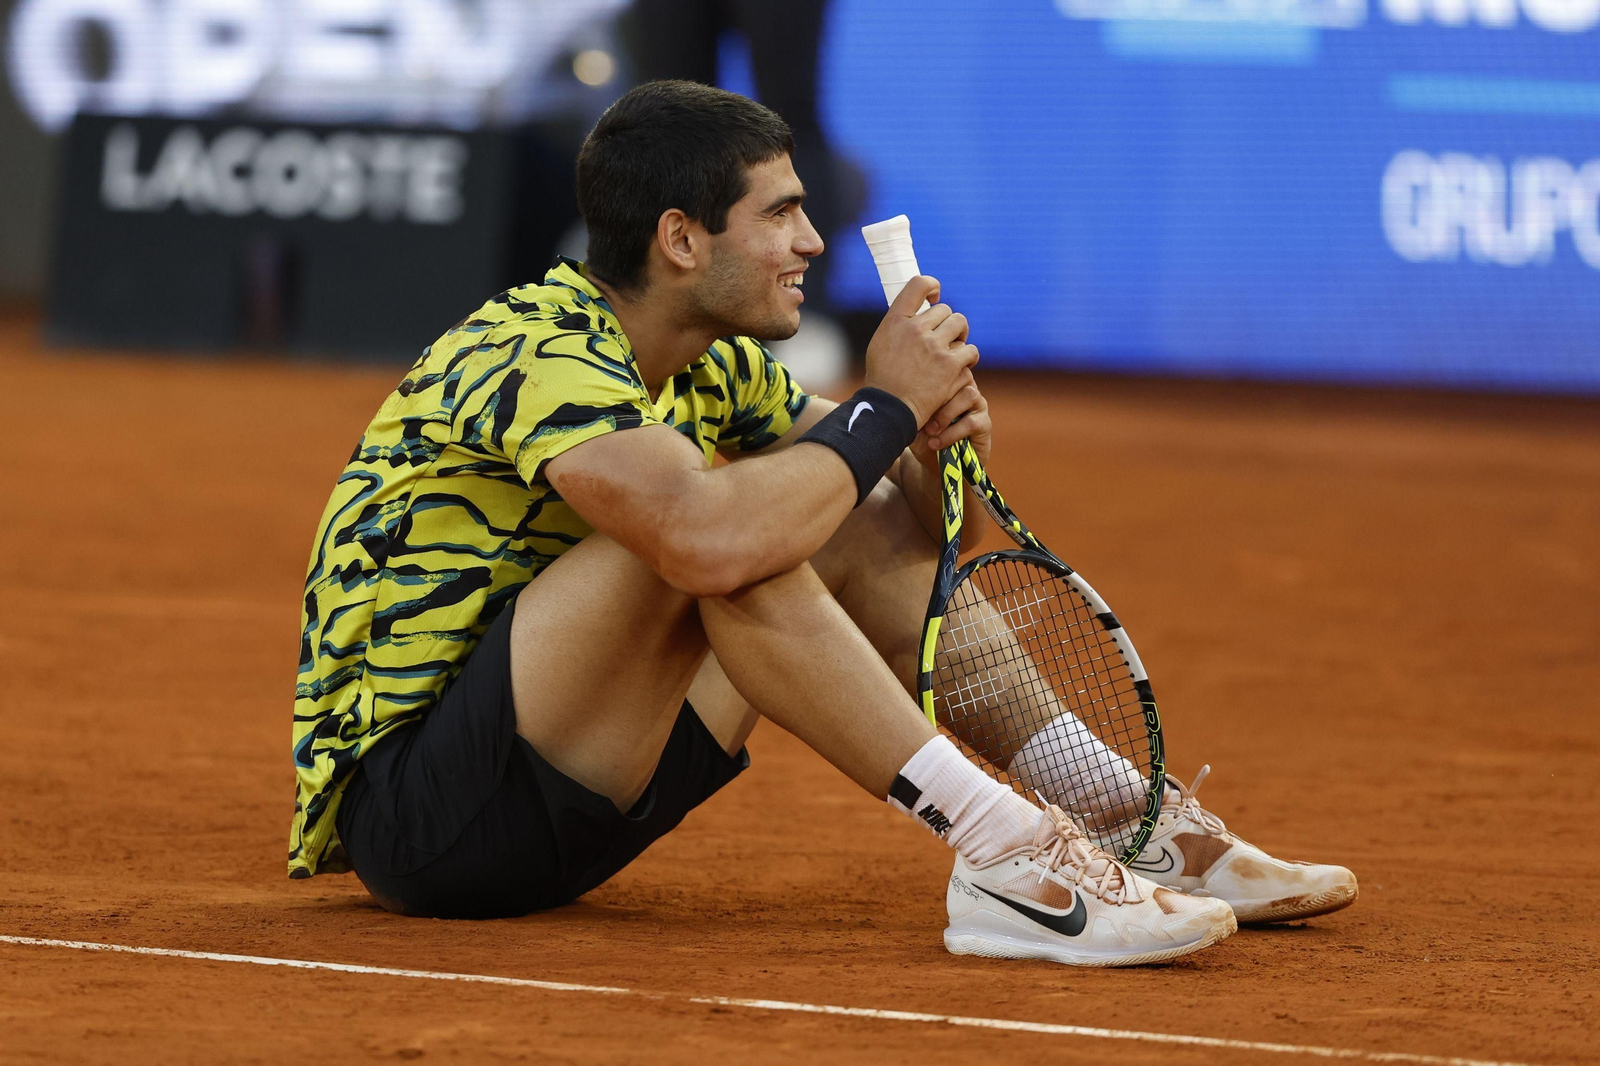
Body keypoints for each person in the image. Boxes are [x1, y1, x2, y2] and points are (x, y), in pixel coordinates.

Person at [289, 80, 1355, 966]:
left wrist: (945, 455)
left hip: (587, 791)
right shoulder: (530, 346)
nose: (810, 239)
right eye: (778, 214)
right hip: (428, 818)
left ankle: (1127, 819)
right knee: (723, 539)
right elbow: (704, 543)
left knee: (813, 507)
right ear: (677, 238)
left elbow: (920, 553)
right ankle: (1006, 851)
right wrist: (879, 405)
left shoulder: (717, 364)